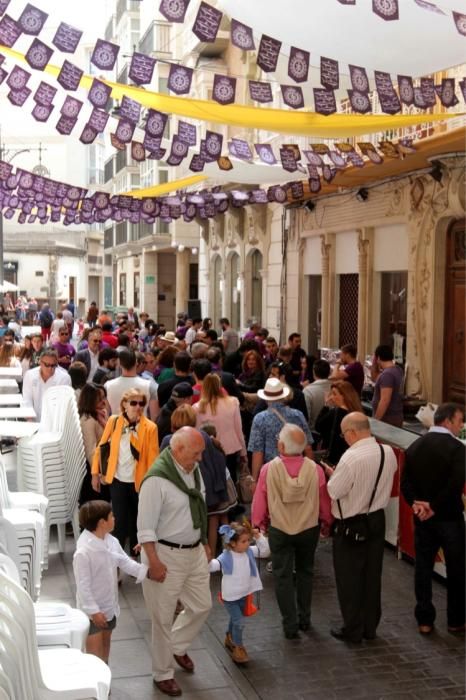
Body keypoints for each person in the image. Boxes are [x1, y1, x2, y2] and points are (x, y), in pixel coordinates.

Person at [137, 427, 212, 697]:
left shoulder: (192, 470)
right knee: (162, 618)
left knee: (202, 605)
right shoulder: (156, 480)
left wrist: (203, 541)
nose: (201, 458)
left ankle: (176, 647)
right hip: (165, 555)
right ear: (177, 450)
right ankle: (162, 673)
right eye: (196, 453)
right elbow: (144, 527)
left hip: (193, 552)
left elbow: (200, 507)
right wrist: (154, 562)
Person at [252, 424, 332, 639]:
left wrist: (258, 523)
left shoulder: (269, 469)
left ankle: (290, 624)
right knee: (306, 571)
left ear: (280, 445)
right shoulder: (315, 469)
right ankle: (305, 618)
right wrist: (326, 521)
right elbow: (324, 500)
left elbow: (260, 501)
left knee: (283, 575)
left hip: (280, 528)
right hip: (308, 528)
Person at [326, 412, 397, 643]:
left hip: (351, 523)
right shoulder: (388, 452)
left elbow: (334, 491)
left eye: (344, 434)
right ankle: (370, 627)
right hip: (377, 519)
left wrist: (333, 474)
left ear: (352, 432)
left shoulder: (351, 457)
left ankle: (353, 628)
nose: (343, 438)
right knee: (372, 574)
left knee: (349, 577)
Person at [401, 403, 465, 636]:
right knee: (457, 570)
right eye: (459, 421)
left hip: (422, 519)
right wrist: (434, 506)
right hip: (450, 519)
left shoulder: (415, 446)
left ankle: (425, 620)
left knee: (423, 569)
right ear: (447, 421)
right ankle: (456, 621)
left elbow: (405, 484)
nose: (460, 426)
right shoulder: (457, 449)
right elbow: (455, 484)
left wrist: (418, 505)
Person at [73, 500, 148, 663]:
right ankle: (96, 685)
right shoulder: (84, 552)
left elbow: (124, 561)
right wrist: (93, 611)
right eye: (111, 516)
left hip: (109, 606)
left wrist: (145, 571)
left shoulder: (111, 541)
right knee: (94, 657)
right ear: (102, 522)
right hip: (92, 613)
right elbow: (83, 586)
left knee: (105, 648)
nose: (115, 518)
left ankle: (105, 683)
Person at [91, 388, 159, 554]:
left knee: (139, 523)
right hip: (117, 480)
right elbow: (100, 448)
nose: (138, 407)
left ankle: (138, 562)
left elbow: (153, 459)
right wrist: (95, 474)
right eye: (133, 403)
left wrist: (152, 485)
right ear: (124, 404)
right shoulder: (114, 422)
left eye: (141, 403)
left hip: (139, 483)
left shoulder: (150, 427)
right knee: (118, 522)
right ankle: (117, 563)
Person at [208, 522, 270, 663]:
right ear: (233, 543)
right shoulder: (226, 557)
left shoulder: (248, 552)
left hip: (244, 594)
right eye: (243, 541)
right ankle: (238, 647)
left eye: (248, 540)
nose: (247, 543)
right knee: (239, 622)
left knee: (235, 619)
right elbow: (213, 566)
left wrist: (258, 535)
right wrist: (205, 561)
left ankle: (229, 638)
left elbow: (265, 550)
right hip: (230, 597)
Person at [248, 378, 314, 485]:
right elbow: (308, 447)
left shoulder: (260, 418)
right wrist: (312, 473)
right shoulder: (298, 415)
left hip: (271, 473)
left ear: (266, 398)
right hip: (298, 471)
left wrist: (255, 480)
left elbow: (257, 453)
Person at [193, 373, 246, 485]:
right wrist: (243, 453)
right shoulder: (233, 402)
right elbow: (239, 429)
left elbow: (198, 433)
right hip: (231, 448)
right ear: (220, 385)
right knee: (231, 480)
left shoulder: (197, 408)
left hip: (209, 451)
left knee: (213, 483)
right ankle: (232, 501)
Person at [315, 380, 363, 466]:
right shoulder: (358, 413)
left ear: (343, 396)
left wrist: (325, 405)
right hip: (350, 459)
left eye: (334, 394)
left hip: (333, 459)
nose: (331, 397)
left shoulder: (334, 413)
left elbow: (318, 426)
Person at [78, 383, 110, 505]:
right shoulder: (88, 421)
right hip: (97, 475)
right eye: (100, 399)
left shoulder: (99, 415)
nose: (104, 402)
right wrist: (97, 476)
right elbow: (91, 451)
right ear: (90, 400)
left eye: (104, 397)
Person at [105, 349, 157, 420]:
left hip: (116, 428)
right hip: (141, 429)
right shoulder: (150, 386)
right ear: (136, 362)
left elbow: (105, 415)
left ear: (119, 364)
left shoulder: (108, 386)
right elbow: (155, 417)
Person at [22, 349, 72, 421]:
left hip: (55, 421)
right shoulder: (30, 375)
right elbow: (27, 399)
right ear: (40, 362)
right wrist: (29, 418)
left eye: (53, 365)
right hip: (34, 419)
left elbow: (64, 404)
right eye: (47, 365)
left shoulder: (64, 378)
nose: (50, 368)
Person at [371, 345, 404, 427]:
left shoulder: (387, 375)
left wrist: (376, 420)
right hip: (395, 416)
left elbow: (385, 400)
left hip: (387, 420)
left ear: (378, 358)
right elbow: (375, 378)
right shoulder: (398, 370)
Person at [303, 359, 332, 429]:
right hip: (331, 430)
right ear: (329, 373)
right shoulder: (335, 388)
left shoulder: (308, 390)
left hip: (314, 431)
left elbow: (306, 417)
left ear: (314, 372)